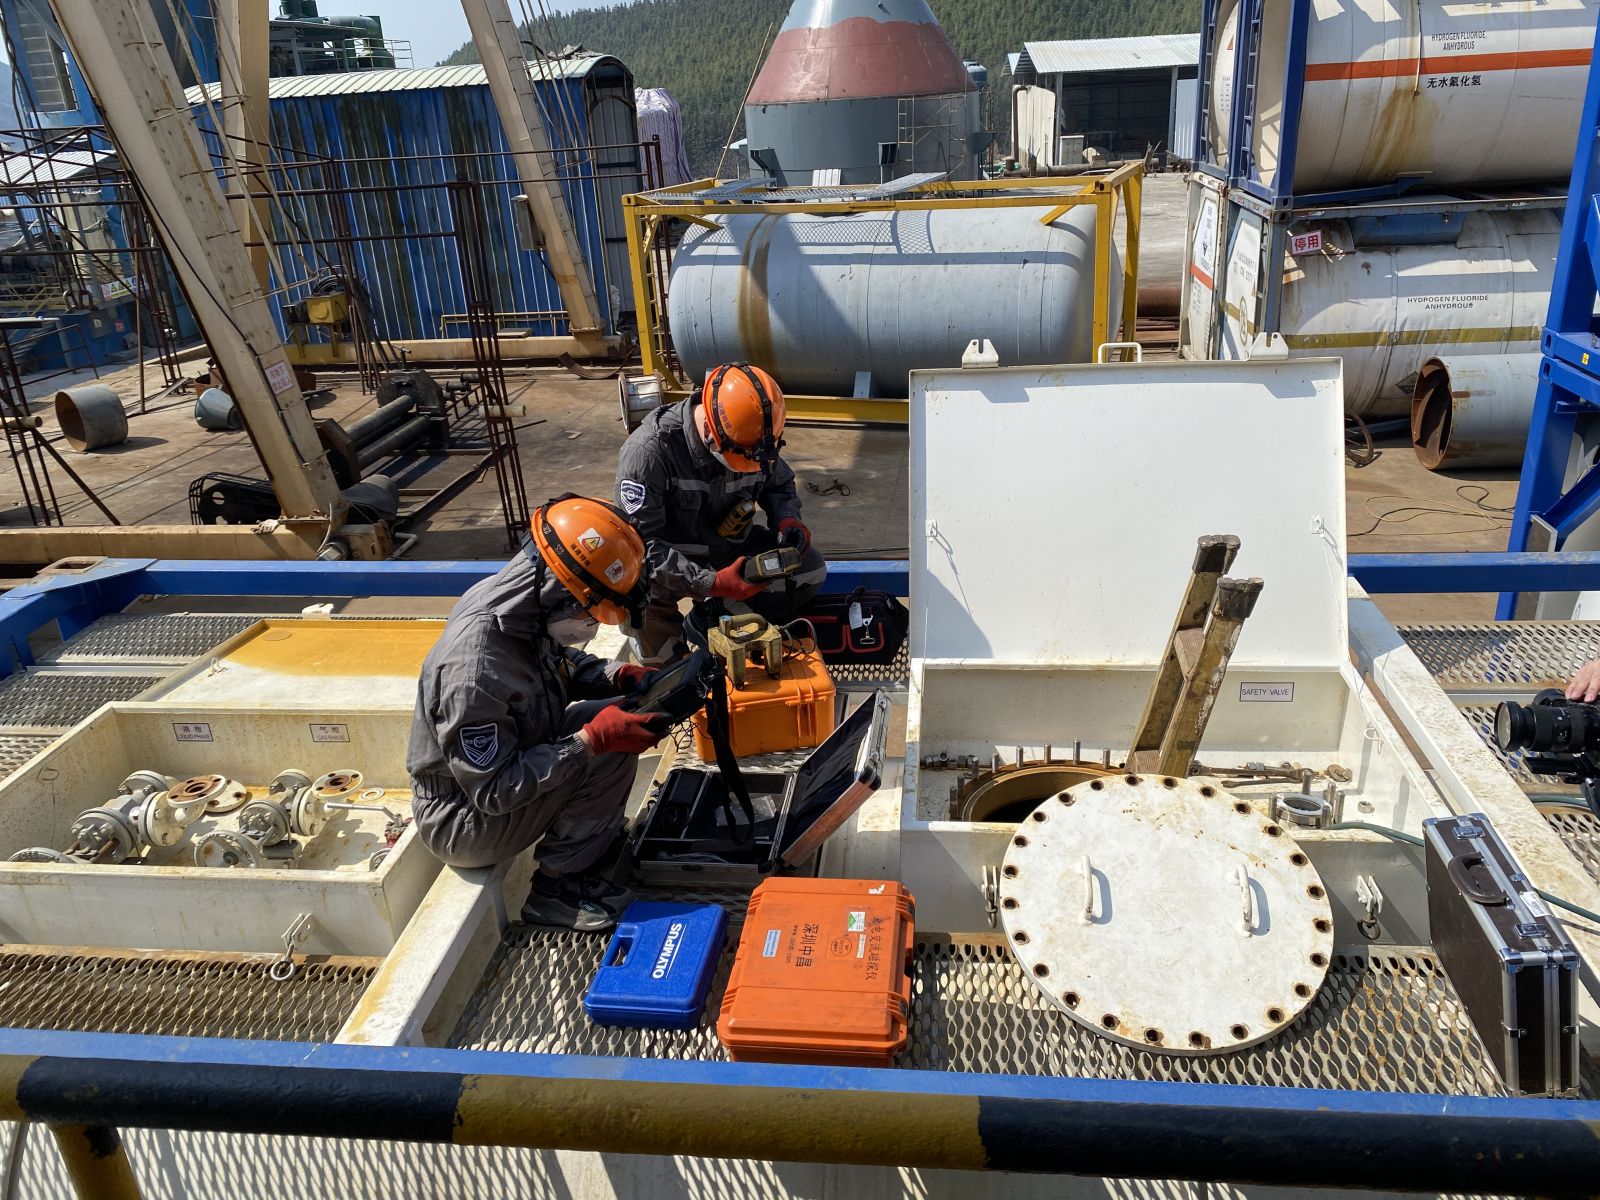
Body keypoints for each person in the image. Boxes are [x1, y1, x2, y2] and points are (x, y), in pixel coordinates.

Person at [407, 495, 666, 933]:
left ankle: (590, 841)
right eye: (588, 614)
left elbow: (557, 664)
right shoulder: (473, 672)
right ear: (556, 592)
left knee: (616, 716)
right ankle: (556, 891)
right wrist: (589, 742)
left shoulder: (520, 609)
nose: (590, 626)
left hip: (507, 764)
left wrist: (618, 676)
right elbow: (495, 791)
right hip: (463, 817)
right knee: (602, 744)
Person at [615, 362, 827, 663]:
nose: (752, 467)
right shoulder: (649, 453)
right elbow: (639, 548)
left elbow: (779, 484)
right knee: (668, 673)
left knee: (809, 570)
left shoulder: (754, 441)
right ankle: (665, 653)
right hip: (664, 571)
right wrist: (710, 583)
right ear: (709, 431)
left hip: (728, 551)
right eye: (741, 459)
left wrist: (787, 518)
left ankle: (708, 619)